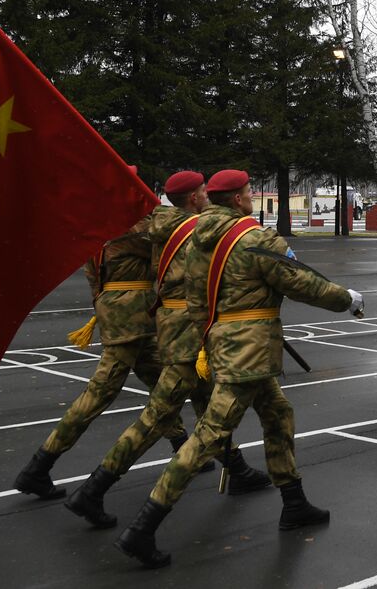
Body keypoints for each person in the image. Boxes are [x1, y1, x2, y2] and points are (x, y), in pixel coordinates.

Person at [116, 169, 365, 568]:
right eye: (249, 192)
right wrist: (346, 299)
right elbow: (300, 282)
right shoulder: (253, 238)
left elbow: (195, 298)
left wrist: (210, 338)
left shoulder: (197, 238)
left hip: (224, 343)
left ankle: (294, 501)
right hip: (249, 351)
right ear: (237, 199)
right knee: (209, 437)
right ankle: (142, 528)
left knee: (278, 414)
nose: (252, 197)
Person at [63, 171, 270, 529]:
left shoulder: (158, 226)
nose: (206, 196)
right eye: (203, 191)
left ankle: (236, 469)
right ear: (194, 197)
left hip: (175, 329)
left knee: (209, 405)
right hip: (188, 334)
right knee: (156, 418)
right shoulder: (190, 230)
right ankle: (95, 491)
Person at [13, 168, 191, 501]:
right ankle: (38, 468)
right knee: (100, 393)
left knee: (163, 385)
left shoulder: (100, 224)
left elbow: (97, 280)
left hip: (123, 315)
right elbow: (161, 247)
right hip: (130, 318)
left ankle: (185, 446)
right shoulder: (127, 226)